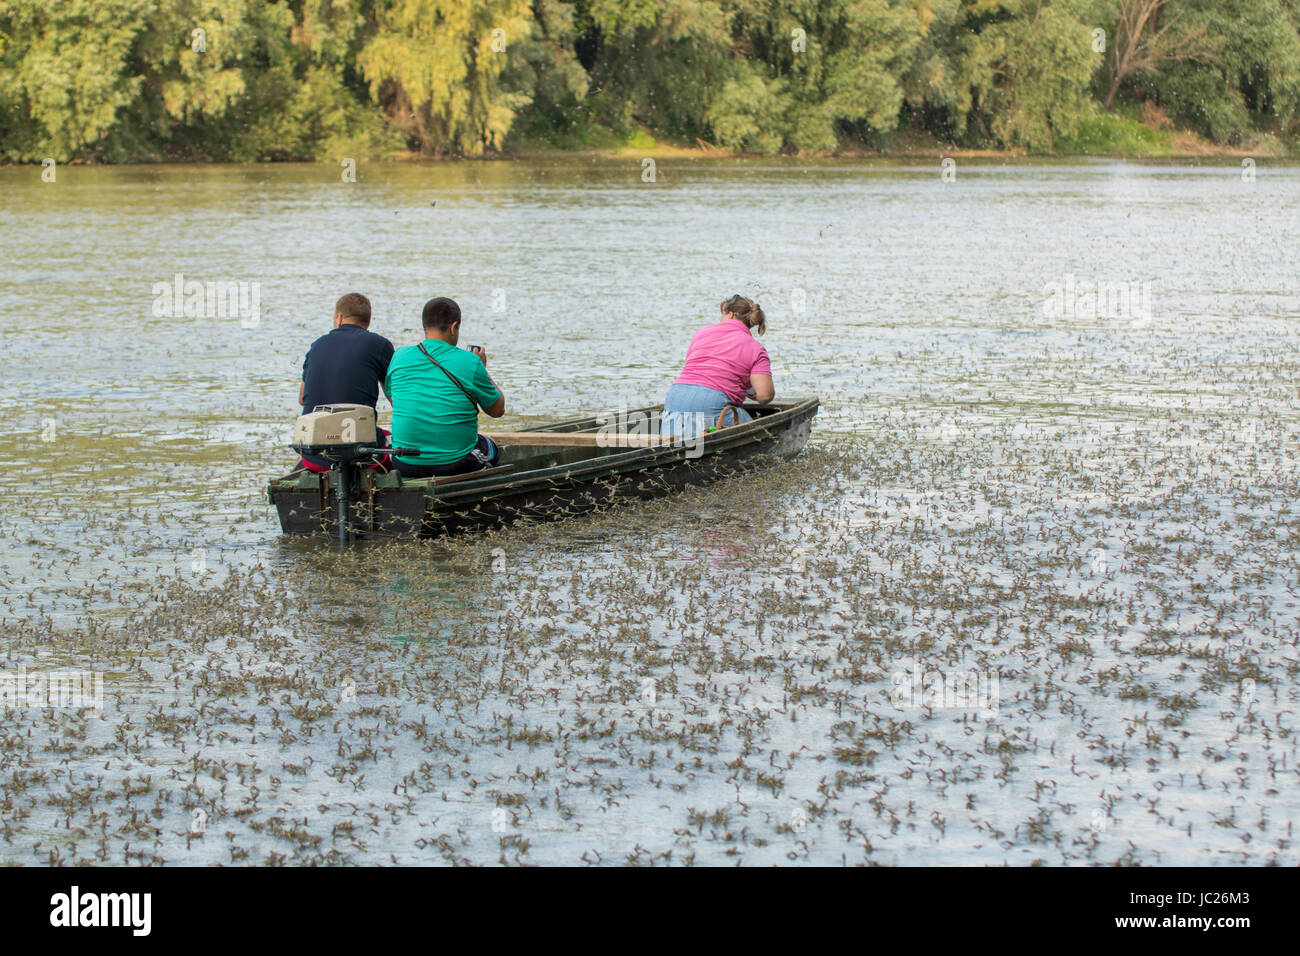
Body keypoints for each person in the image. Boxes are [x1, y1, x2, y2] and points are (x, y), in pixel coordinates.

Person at [384, 297, 506, 478]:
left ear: (425, 326)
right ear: (453, 326)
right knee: (491, 447)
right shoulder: (470, 361)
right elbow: (497, 410)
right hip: (454, 464)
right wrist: (483, 369)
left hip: (405, 464)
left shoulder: (399, 356)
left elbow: (396, 402)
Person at [298, 292, 394, 471]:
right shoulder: (379, 345)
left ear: (339, 318)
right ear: (368, 321)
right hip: (364, 459)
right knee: (395, 442)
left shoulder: (317, 345)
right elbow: (396, 399)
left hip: (313, 458)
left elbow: (302, 398)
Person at [660, 294, 775, 438]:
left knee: (676, 443)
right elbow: (765, 395)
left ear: (730, 314)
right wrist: (746, 391)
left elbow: (700, 369)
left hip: (675, 398)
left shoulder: (701, 333)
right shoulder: (756, 348)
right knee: (759, 434)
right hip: (712, 403)